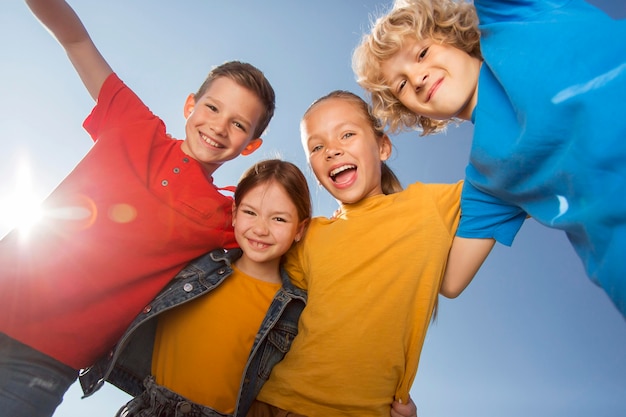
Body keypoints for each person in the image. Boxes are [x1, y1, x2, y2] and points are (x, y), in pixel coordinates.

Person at [0, 1, 275, 416]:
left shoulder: (227, 215)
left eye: (239, 124)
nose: (219, 126)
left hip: (41, 362)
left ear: (250, 145)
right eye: (213, 107)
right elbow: (75, 40)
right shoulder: (134, 124)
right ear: (190, 106)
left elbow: (289, 234)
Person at [352, 0, 626, 316]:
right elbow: (450, 281)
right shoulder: (487, 179)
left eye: (422, 53)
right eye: (401, 84)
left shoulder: (511, 17)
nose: (416, 78)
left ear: (450, 34)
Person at [246, 90, 469, 417]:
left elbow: (516, 180)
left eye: (347, 134)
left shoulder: (429, 206)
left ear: (383, 146)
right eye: (317, 147)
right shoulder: (309, 236)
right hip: (271, 402)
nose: (332, 150)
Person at [78, 159, 311, 417]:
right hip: (151, 406)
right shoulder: (195, 267)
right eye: (250, 212)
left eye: (279, 219)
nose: (260, 229)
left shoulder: (293, 311)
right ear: (234, 214)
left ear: (299, 229)